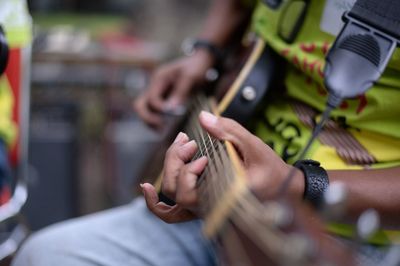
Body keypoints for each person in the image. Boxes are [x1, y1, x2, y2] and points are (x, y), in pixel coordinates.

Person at [13, 0, 400, 265]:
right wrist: (205, 54)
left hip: (344, 239)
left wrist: (300, 184)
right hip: (226, 211)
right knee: (48, 254)